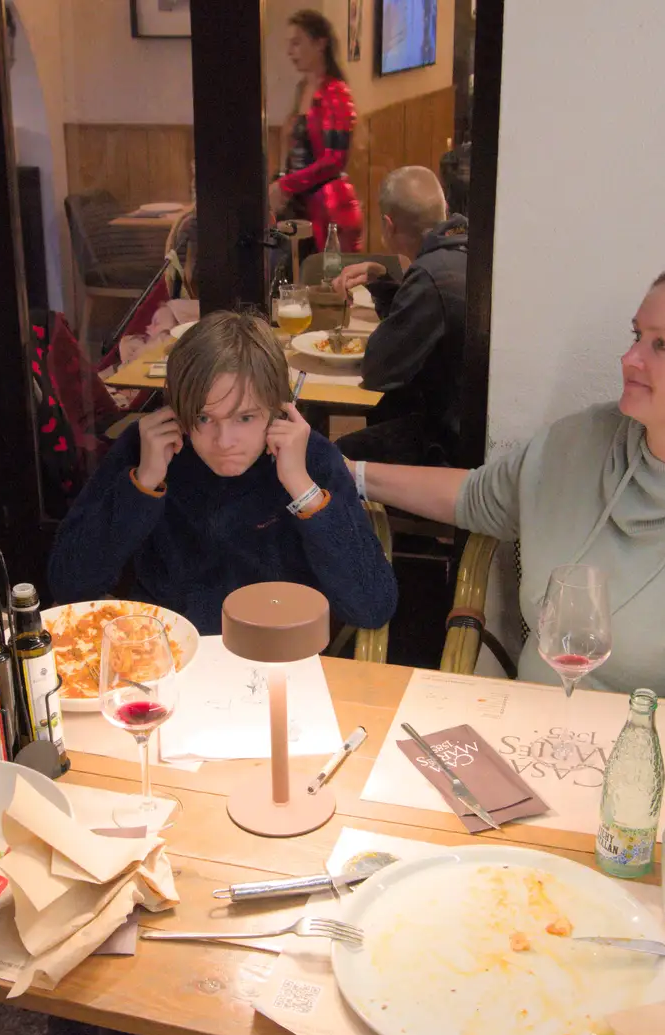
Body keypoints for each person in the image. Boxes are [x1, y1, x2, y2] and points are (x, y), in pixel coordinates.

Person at [348, 260, 665, 704]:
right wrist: (350, 475)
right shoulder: (586, 440)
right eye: (636, 335)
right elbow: (480, 498)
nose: (629, 358)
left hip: (654, 770)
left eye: (660, 345)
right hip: (530, 739)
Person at [48, 311, 396, 634]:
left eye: (244, 418)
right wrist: (143, 483)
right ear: (177, 409)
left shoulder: (312, 458)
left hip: (278, 653)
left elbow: (372, 607)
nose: (224, 441)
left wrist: (303, 490)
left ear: (277, 408)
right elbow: (70, 583)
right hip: (169, 655)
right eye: (203, 418)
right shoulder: (145, 448)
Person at [330, 166, 468, 465]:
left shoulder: (431, 276)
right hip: (468, 421)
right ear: (444, 210)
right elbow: (417, 329)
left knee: (334, 456)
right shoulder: (463, 252)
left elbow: (379, 369)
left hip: (450, 444)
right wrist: (382, 279)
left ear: (388, 225)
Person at [270, 9, 363, 252]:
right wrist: (281, 180)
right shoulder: (302, 89)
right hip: (300, 204)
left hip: (328, 208)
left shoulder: (337, 93)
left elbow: (335, 160)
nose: (290, 52)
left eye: (297, 43)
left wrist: (286, 185)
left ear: (320, 43)